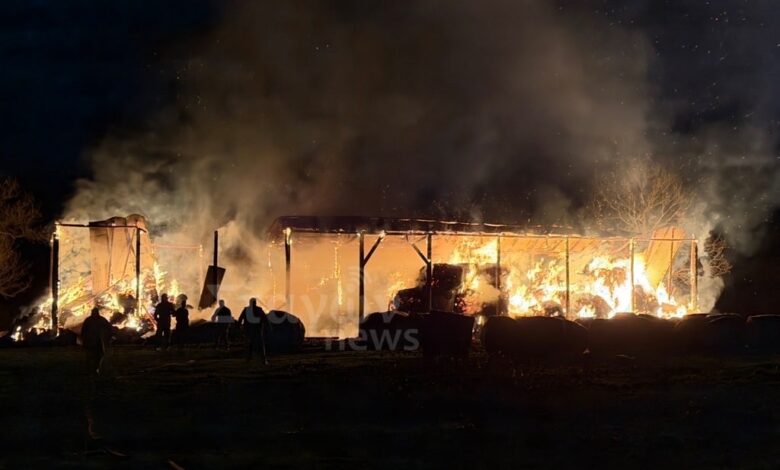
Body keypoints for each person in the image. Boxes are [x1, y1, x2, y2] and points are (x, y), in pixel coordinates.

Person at [81, 307, 112, 375]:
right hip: (95, 342)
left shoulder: (89, 320)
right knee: (94, 356)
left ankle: (94, 368)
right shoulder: (100, 320)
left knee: (94, 356)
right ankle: (93, 368)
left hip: (96, 342)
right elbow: (109, 329)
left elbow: (108, 329)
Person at [237, 298, 269, 364]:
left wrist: (239, 327)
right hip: (257, 330)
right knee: (259, 345)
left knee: (249, 345)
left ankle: (248, 359)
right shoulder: (259, 310)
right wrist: (267, 327)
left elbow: (240, 319)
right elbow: (265, 319)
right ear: (255, 303)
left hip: (250, 330)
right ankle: (263, 359)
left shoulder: (246, 309)